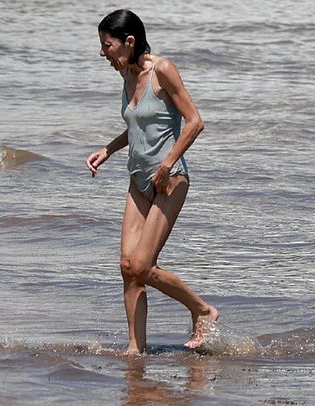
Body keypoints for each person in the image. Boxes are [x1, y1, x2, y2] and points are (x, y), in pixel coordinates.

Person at [85, 9, 218, 353]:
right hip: (138, 180)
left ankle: (203, 310)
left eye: (107, 45)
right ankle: (135, 350)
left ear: (129, 41)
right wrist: (108, 150)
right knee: (127, 267)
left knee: (143, 266)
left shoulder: (163, 70)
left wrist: (167, 164)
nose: (102, 53)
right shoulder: (127, 75)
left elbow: (195, 122)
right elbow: (138, 126)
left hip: (169, 180)